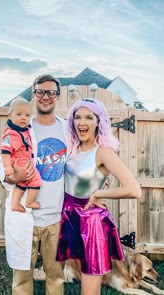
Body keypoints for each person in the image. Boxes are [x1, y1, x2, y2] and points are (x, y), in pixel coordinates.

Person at [56, 98, 142, 295]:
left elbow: (134, 189)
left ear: (98, 122)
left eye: (89, 117)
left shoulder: (103, 151)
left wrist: (97, 194)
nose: (82, 122)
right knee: (80, 273)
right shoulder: (74, 147)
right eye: (77, 117)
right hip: (69, 217)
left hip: (90, 222)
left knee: (89, 287)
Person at [0, 74, 67, 295]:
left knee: (56, 276)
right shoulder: (20, 127)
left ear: (58, 96)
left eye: (51, 92)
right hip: (25, 216)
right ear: (33, 95)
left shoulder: (68, 130)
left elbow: (79, 165)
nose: (46, 96)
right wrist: (15, 176)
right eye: (40, 91)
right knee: (21, 278)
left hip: (56, 217)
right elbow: (3, 166)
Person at [0, 97, 41, 213]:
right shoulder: (11, 133)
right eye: (19, 114)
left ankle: (15, 204)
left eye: (27, 115)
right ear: (9, 116)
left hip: (23, 161)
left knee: (22, 183)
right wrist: (7, 167)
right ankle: (29, 201)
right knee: (36, 180)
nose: (23, 118)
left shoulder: (24, 130)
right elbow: (5, 151)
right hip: (20, 161)